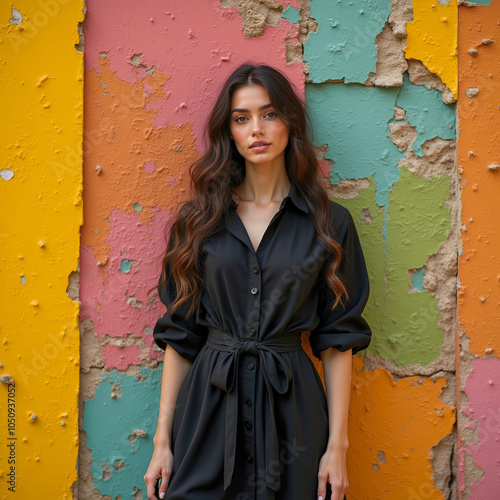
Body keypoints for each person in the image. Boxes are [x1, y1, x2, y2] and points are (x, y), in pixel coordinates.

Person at [143, 63, 372, 500]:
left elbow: (338, 338)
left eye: (269, 114)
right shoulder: (199, 223)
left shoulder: (329, 224)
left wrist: (337, 448)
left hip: (294, 415)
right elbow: (180, 334)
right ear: (228, 130)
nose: (257, 129)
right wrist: (163, 442)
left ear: (290, 122)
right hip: (207, 411)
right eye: (241, 118)